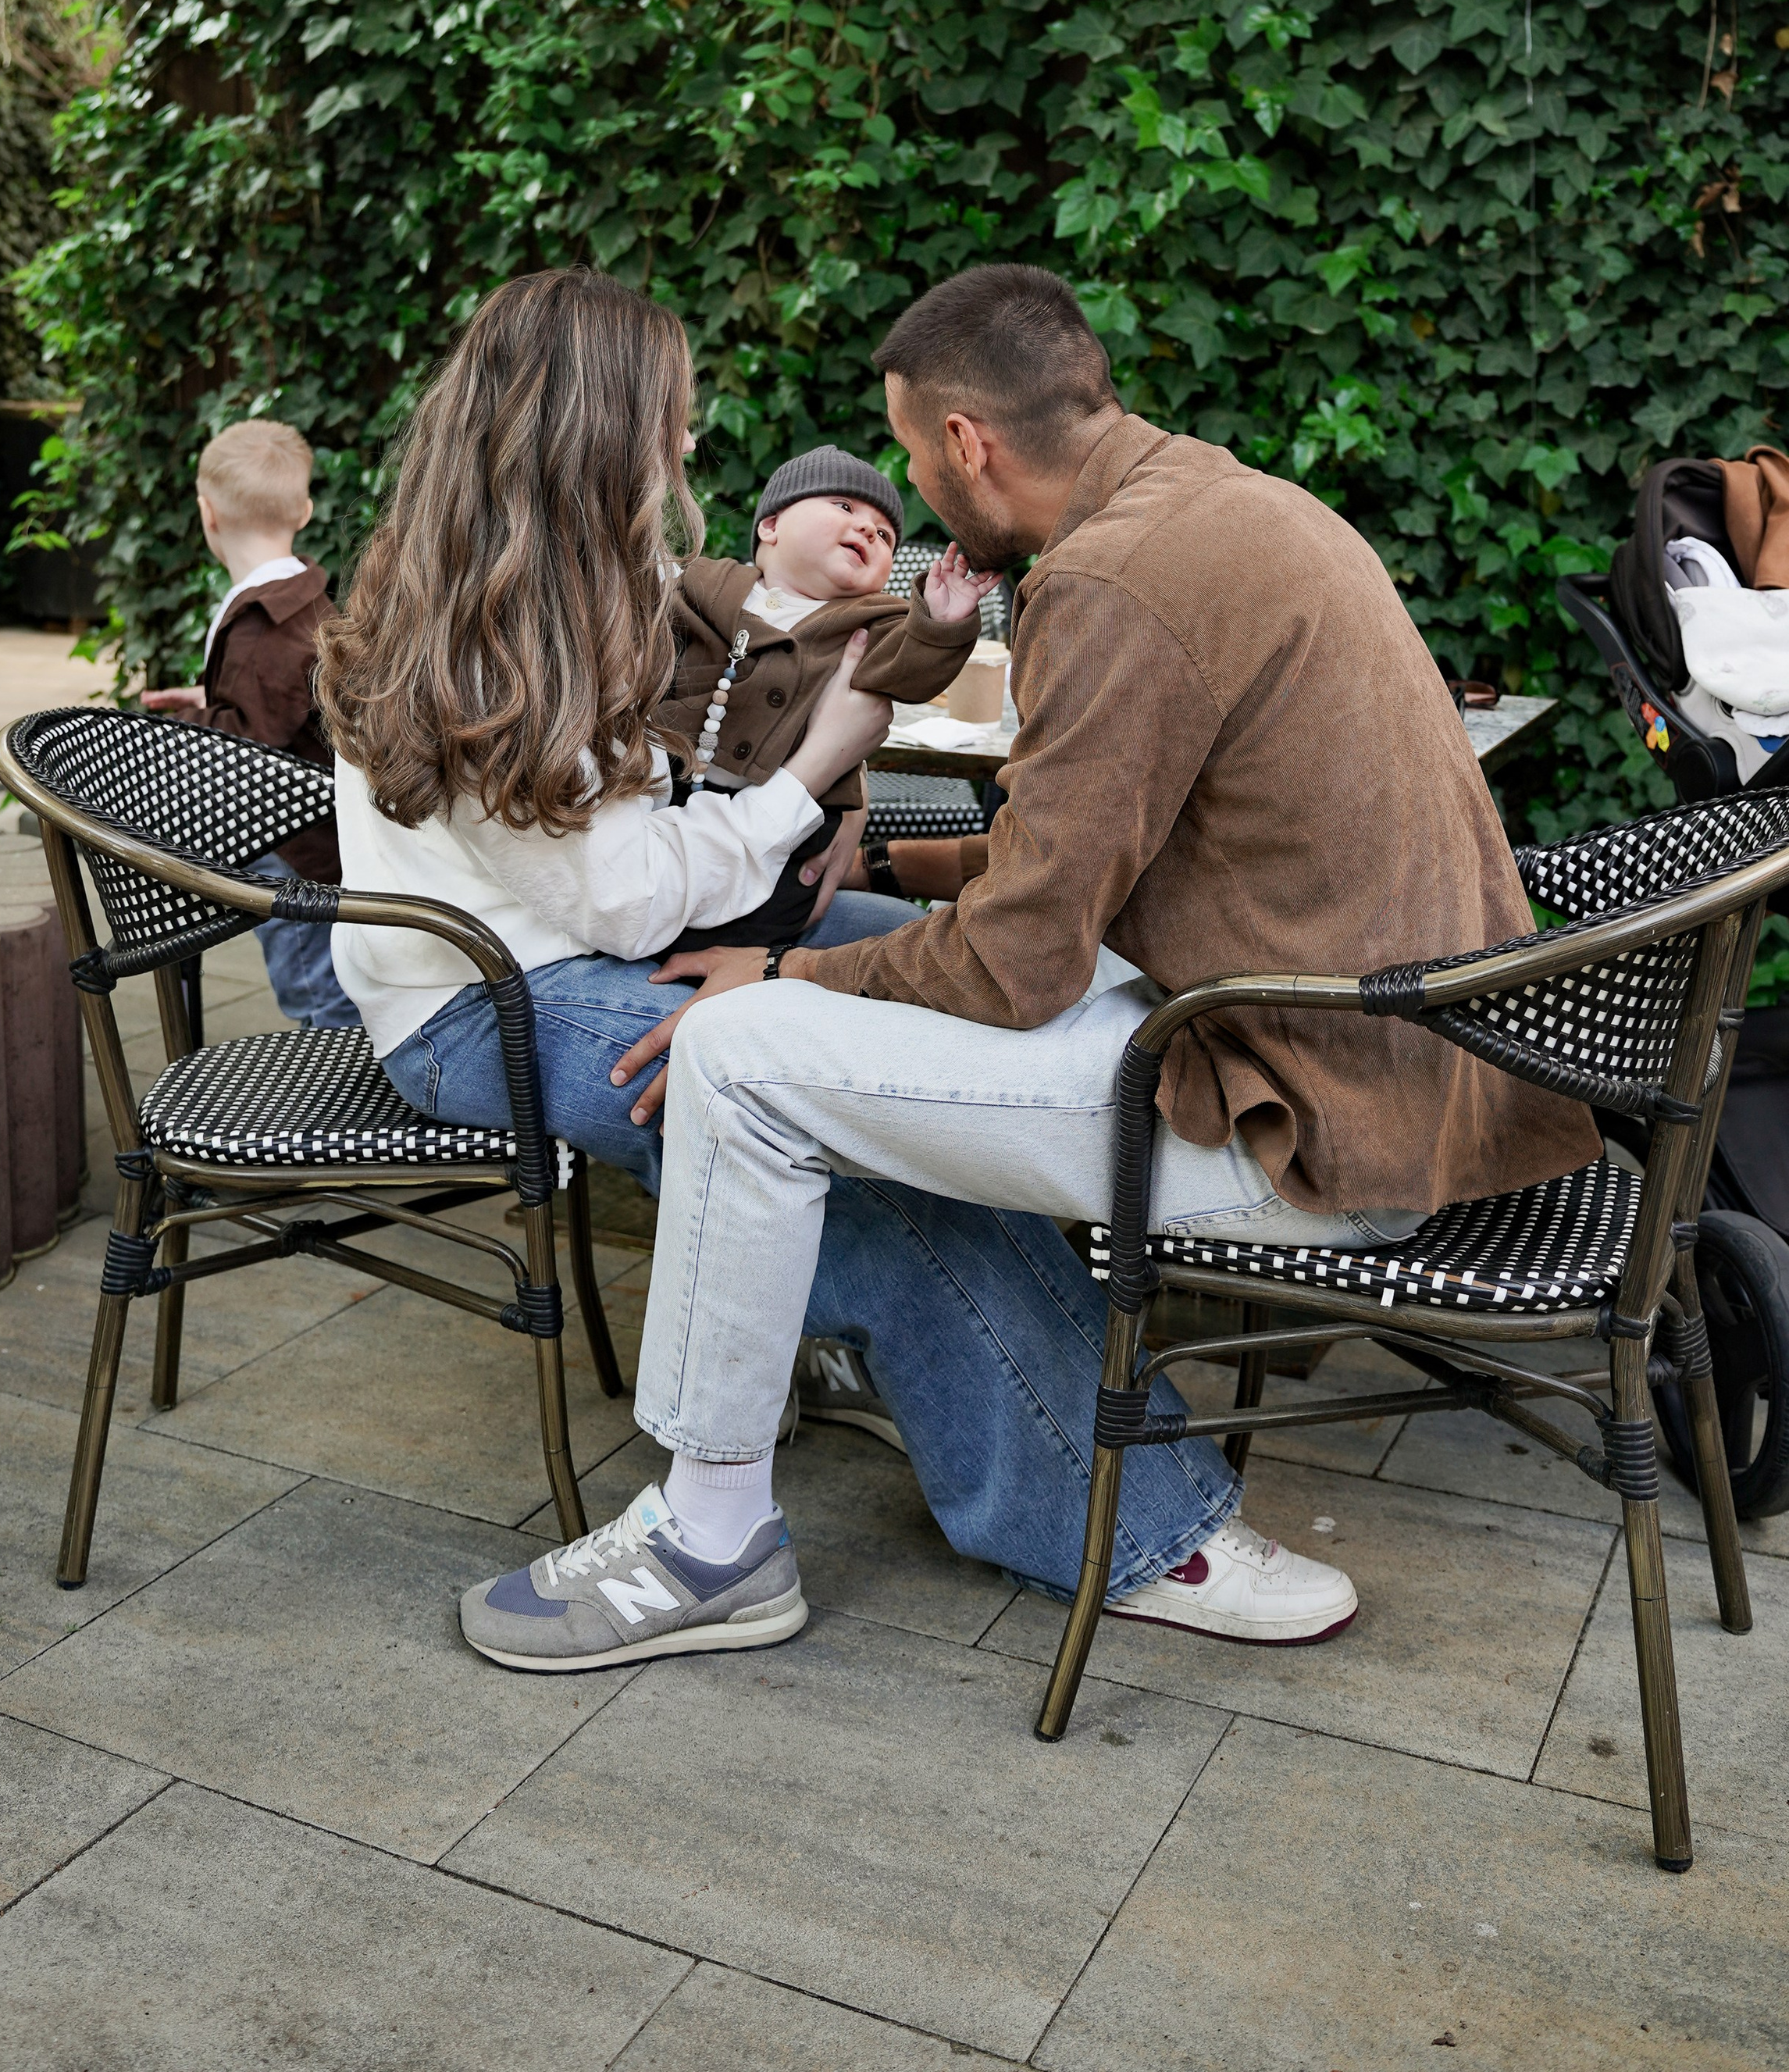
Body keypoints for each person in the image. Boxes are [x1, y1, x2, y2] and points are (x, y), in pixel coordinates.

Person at [460, 262, 1599, 1677]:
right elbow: (1123, 857)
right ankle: (1053, 1480)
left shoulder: (1113, 580)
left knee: (736, 1059)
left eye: (912, 460)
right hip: (1396, 1068)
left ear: (965, 445)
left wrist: (783, 985)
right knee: (818, 1030)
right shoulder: (1223, 505)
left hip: (1310, 1121)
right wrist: (894, 876)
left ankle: (709, 1542)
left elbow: (1021, 965)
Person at [315, 266, 1259, 1657]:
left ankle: (887, 1350)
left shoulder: (587, 582)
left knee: (961, 975)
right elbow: (627, 906)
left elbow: (654, 840)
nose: (690, 448)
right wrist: (812, 774)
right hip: (486, 996)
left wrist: (807, 825)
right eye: (671, 421)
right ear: (593, 431)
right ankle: (1131, 1523)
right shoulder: (477, 632)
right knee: (844, 1119)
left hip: (626, 934)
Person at [661, 444, 992, 951]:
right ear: (770, 527)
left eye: (884, 535)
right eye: (844, 507)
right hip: (679, 784)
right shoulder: (709, 583)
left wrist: (941, 622)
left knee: (766, 913)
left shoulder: (872, 625)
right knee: (665, 886)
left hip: (794, 820)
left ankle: (747, 963)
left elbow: (915, 669)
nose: (867, 529)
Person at [141, 418, 358, 1033]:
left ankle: (341, 1111)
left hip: (295, 852)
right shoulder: (301, 598)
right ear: (306, 509)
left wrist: (191, 719)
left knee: (319, 994)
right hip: (316, 836)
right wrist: (211, 693)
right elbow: (282, 700)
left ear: (207, 514)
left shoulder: (267, 625)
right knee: (325, 985)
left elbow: (247, 742)